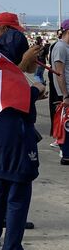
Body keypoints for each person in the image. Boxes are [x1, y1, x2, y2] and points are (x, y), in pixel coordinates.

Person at [0, 13, 43, 250]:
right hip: (14, 136)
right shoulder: (5, 72)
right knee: (19, 189)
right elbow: (19, 97)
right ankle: (12, 249)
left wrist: (28, 64)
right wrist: (35, 90)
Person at [49, 19, 69, 166]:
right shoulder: (61, 47)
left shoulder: (65, 47)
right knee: (66, 125)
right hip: (64, 93)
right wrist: (65, 95)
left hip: (65, 92)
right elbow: (59, 72)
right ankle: (66, 154)